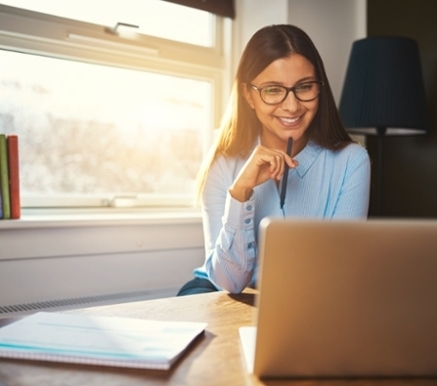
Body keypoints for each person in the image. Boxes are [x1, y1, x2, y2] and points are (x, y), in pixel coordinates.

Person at [177, 24, 371, 296]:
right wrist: (240, 194)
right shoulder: (223, 162)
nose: (292, 106)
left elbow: (339, 272)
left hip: (305, 297)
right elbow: (229, 282)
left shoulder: (352, 161)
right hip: (220, 290)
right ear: (249, 95)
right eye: (272, 90)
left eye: (304, 86)